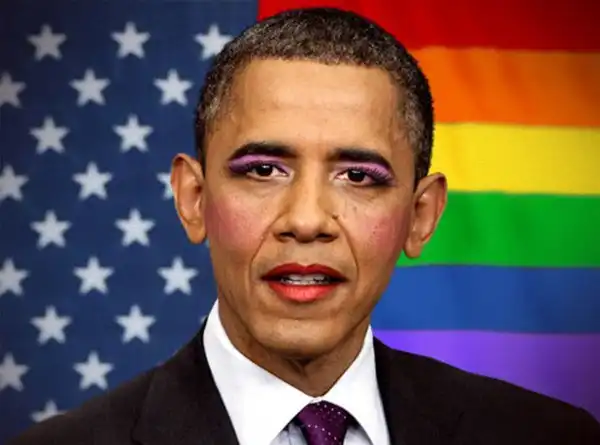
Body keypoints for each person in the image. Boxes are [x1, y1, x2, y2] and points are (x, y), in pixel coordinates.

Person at [9, 7, 600, 445]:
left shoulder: (551, 437)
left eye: (359, 176)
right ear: (194, 199)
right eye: (263, 169)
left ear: (421, 216)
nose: (308, 220)